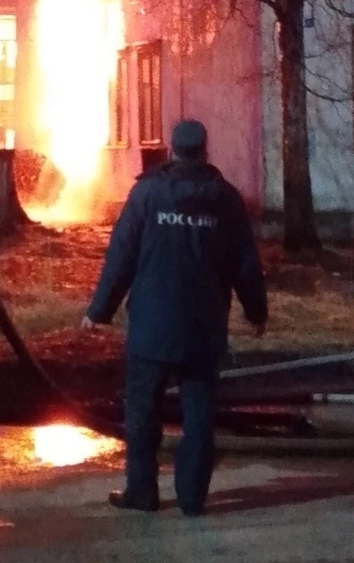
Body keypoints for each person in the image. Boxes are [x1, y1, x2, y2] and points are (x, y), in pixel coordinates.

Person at [82, 118, 267, 517]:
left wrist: (99, 311)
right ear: (205, 150)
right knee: (199, 411)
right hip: (203, 328)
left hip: (151, 327)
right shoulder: (226, 200)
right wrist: (256, 314)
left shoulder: (147, 194)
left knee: (142, 410)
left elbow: (122, 257)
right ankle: (192, 498)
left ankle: (143, 493)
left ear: (171, 148)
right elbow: (245, 266)